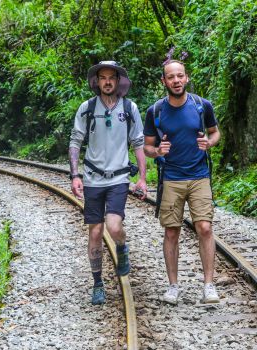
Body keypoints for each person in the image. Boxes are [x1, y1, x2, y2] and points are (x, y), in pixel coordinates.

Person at [69, 61, 147, 305]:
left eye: (111, 77)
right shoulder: (87, 108)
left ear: (118, 80)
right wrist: (75, 175)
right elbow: (75, 142)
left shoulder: (129, 108)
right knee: (95, 231)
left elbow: (138, 143)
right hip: (93, 178)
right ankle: (98, 283)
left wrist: (143, 178)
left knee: (114, 227)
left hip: (119, 178)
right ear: (97, 82)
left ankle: (121, 246)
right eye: (102, 78)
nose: (107, 81)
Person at [143, 60, 221, 305]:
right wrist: (157, 151)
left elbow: (215, 132)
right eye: (171, 77)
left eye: (180, 76)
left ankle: (209, 285)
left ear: (186, 78)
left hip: (199, 175)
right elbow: (147, 146)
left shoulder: (201, 105)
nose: (176, 81)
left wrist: (210, 143)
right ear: (164, 81)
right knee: (171, 232)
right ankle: (173, 286)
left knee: (205, 228)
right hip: (171, 178)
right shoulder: (155, 111)